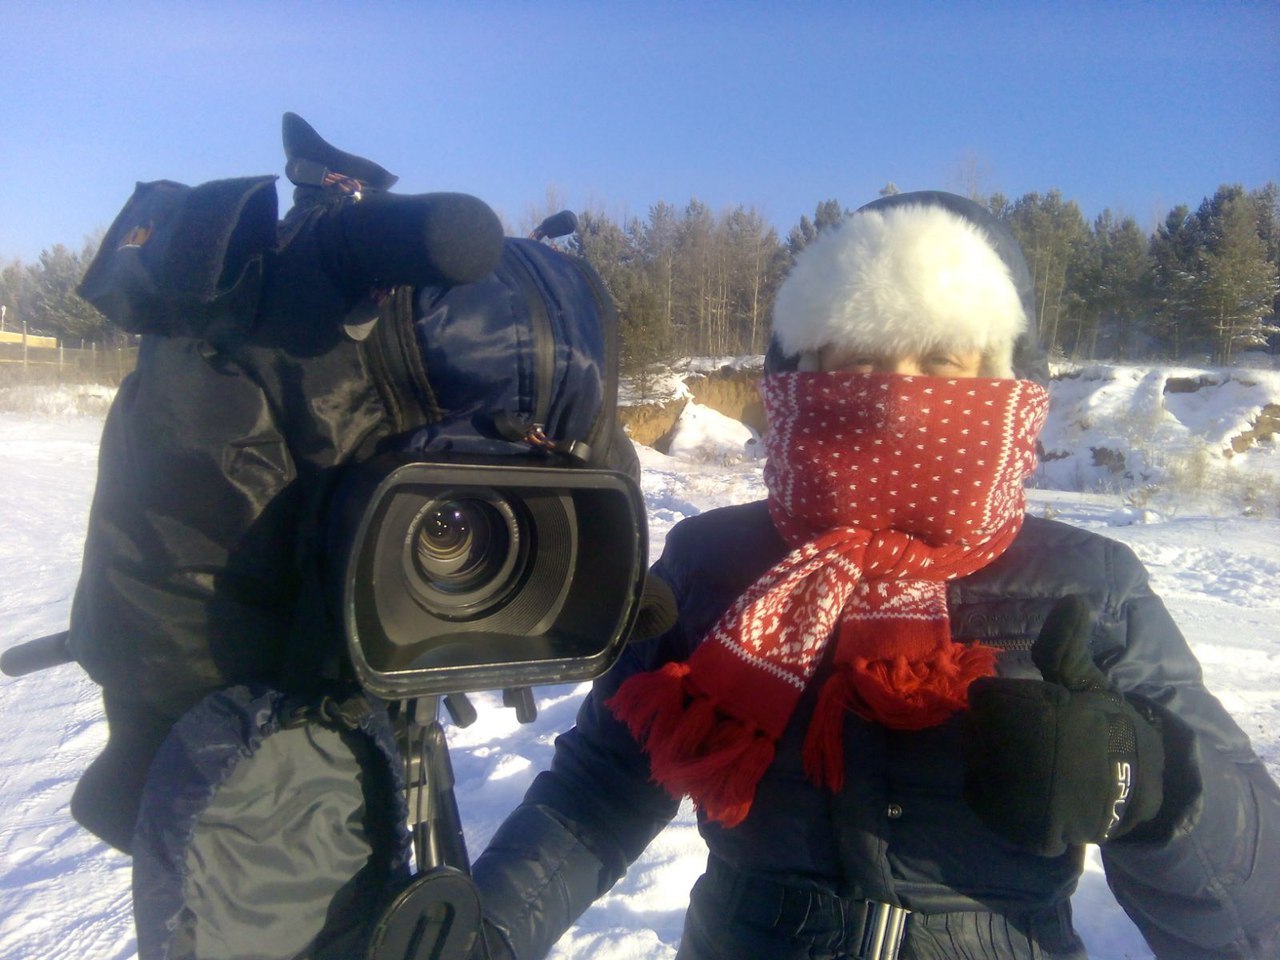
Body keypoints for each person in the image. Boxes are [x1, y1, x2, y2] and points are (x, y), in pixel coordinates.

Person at [470, 191, 1280, 959]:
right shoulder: (713, 562)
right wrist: (482, 934)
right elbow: (600, 791)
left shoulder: (1089, 583)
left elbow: (1256, 913)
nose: (897, 396)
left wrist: (1150, 794)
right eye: (857, 358)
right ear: (801, 372)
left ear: (1003, 381)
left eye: (940, 360)